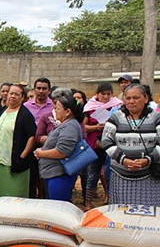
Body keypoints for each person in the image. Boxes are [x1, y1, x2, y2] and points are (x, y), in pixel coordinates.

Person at [102, 84, 160, 205]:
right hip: (120, 174)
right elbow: (107, 141)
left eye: (136, 98)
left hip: (149, 174)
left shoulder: (156, 118)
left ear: (146, 98)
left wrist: (147, 160)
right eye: (128, 98)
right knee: (122, 212)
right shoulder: (115, 118)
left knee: (148, 210)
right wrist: (123, 160)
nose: (131, 101)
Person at [34, 94, 84, 201]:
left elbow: (62, 151)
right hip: (54, 174)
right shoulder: (65, 124)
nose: (55, 110)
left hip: (60, 175)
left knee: (58, 207)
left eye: (57, 108)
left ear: (67, 112)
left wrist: (41, 153)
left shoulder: (70, 126)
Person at [0, 84, 36, 198]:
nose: (13, 96)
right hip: (0, 160)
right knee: (2, 193)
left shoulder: (25, 114)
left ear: (22, 97)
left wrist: (23, 155)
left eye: (17, 94)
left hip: (15, 163)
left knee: (15, 195)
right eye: (11, 93)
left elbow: (32, 137)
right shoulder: (3, 112)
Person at [83, 82, 123, 210]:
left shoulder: (117, 106)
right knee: (92, 175)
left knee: (109, 174)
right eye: (103, 94)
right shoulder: (90, 107)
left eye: (108, 94)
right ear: (97, 94)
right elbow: (83, 127)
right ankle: (88, 203)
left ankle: (110, 199)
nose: (105, 97)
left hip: (111, 145)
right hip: (94, 145)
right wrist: (95, 127)